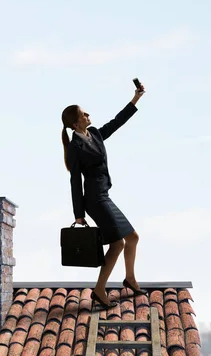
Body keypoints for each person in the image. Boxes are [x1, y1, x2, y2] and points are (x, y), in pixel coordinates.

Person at [60, 82, 147, 309]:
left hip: (104, 195)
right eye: (83, 113)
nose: (88, 114)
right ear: (76, 122)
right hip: (94, 200)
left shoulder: (96, 134)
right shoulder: (75, 148)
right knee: (117, 244)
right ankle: (99, 290)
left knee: (133, 238)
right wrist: (78, 214)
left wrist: (135, 99)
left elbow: (116, 123)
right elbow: (74, 181)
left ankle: (129, 278)